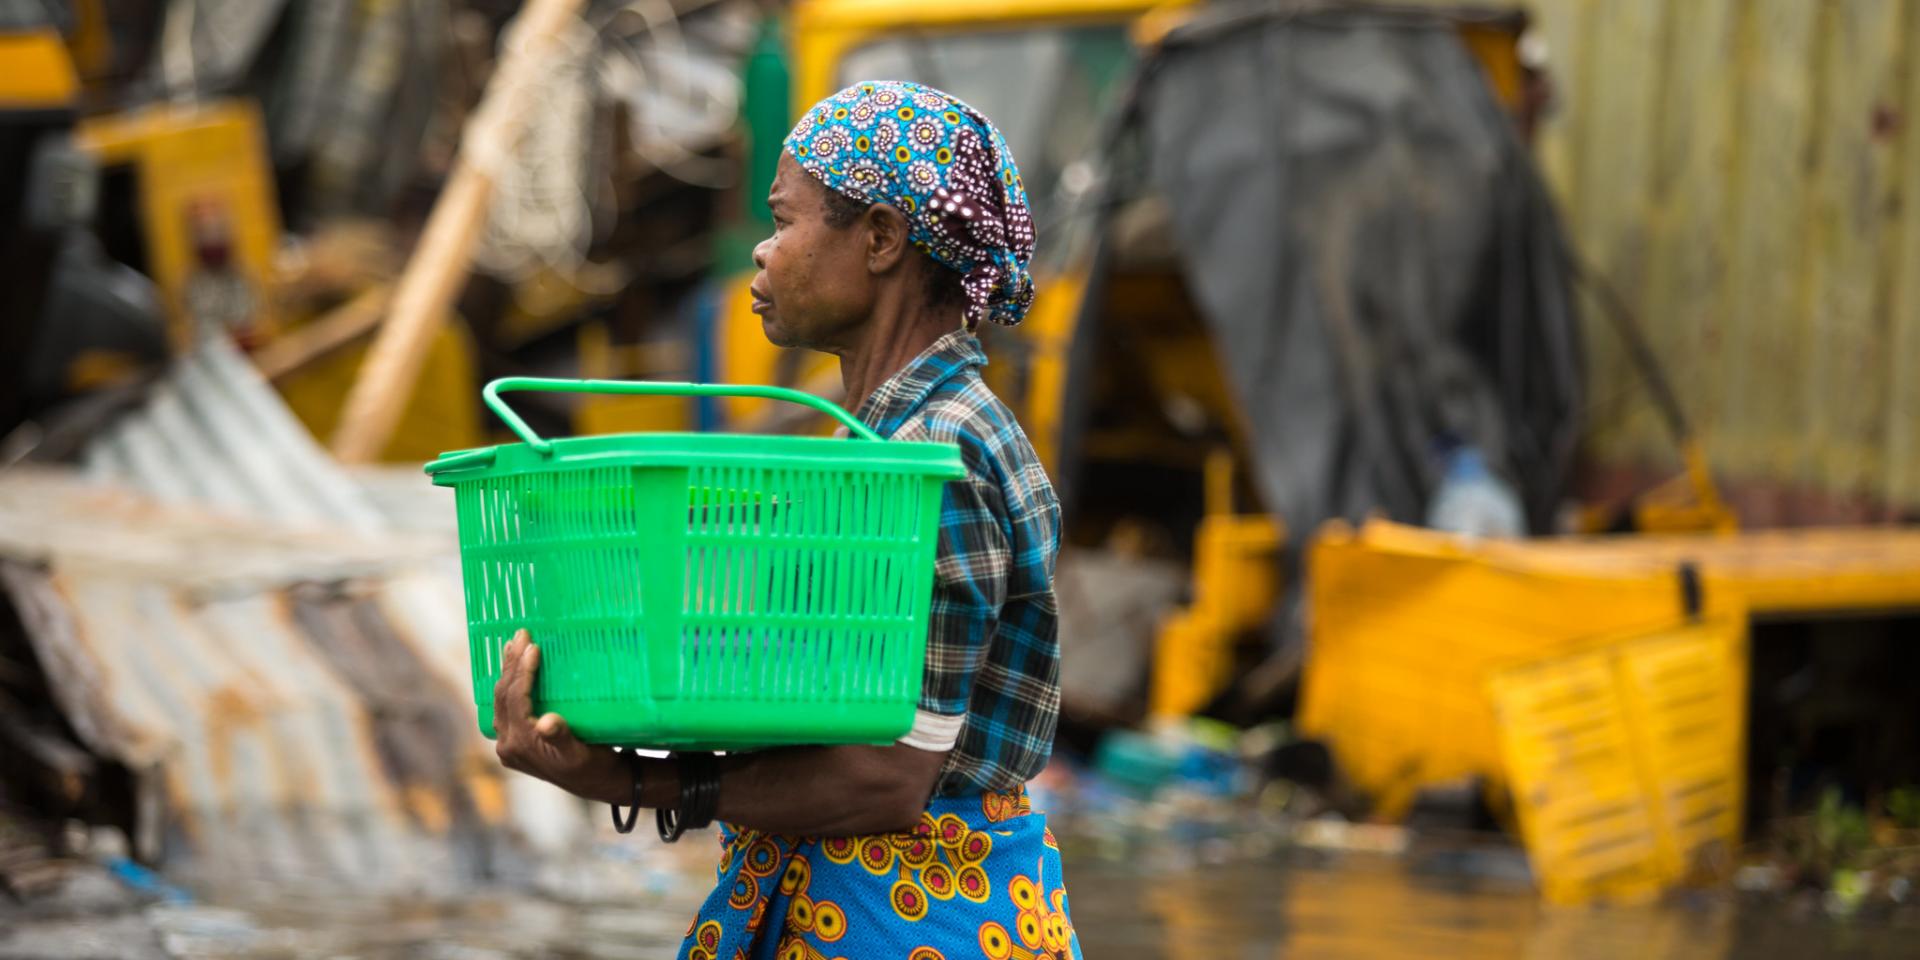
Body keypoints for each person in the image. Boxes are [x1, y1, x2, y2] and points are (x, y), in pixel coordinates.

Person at [490, 79, 1077, 959]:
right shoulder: (876, 440)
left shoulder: (938, 454)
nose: (761, 255)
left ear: (880, 238)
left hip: (917, 919)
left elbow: (886, 777)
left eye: (783, 221)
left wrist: (628, 779)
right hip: (855, 905)